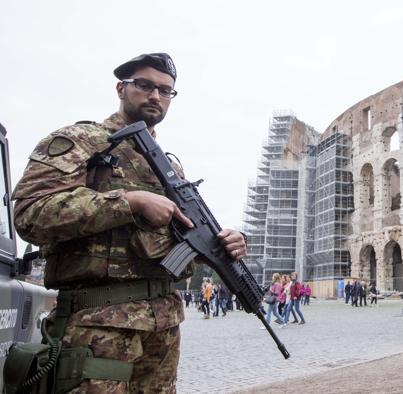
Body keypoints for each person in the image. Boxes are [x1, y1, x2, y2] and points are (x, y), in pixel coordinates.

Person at [11, 53, 247, 392]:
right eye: (145, 85)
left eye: (165, 91)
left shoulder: (169, 167)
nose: (155, 96)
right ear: (121, 88)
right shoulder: (81, 141)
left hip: (162, 330)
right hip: (98, 324)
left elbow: (179, 246)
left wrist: (222, 243)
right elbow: (30, 214)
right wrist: (128, 202)